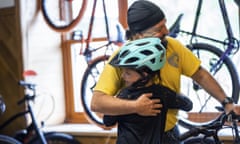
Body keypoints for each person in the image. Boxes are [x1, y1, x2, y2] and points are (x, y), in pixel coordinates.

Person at [91, 0, 237, 143]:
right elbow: (97, 103)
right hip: (136, 137)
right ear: (139, 35)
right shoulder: (122, 58)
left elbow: (200, 75)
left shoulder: (173, 47)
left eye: (165, 24)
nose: (166, 31)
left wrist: (226, 103)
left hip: (170, 134)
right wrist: (135, 106)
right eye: (159, 28)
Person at [103, 37, 193, 144]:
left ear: (144, 74)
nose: (123, 76)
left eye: (128, 73)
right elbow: (188, 105)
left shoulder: (124, 96)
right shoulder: (162, 94)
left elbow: (107, 121)